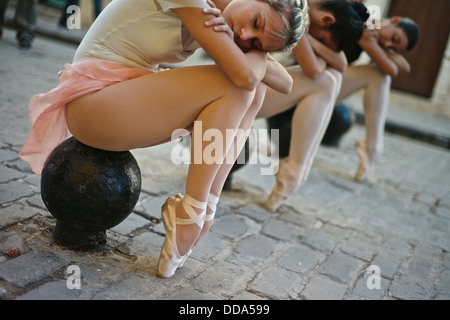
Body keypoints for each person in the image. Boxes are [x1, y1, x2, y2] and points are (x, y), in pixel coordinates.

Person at [19, 0, 308, 278]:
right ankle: (192, 214)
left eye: (256, 42)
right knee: (239, 87)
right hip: (91, 103)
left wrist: (255, 52)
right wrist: (259, 53)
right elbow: (245, 76)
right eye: (257, 22)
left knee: (253, 91)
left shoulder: (228, 18)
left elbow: (286, 83)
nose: (245, 35)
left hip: (123, 100)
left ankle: (206, 208)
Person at [255, 0, 367, 210]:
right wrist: (308, 40)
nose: (319, 42)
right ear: (327, 20)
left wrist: (309, 41)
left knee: (332, 77)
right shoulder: (298, 11)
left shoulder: (309, 19)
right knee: (325, 80)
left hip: (257, 83)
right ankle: (295, 171)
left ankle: (296, 170)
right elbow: (314, 71)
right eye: (322, 39)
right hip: (242, 85)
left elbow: (340, 63)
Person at [337, 4, 419, 181]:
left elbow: (405, 67)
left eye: (394, 46)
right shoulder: (366, 29)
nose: (388, 43)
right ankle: (373, 149)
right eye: (394, 38)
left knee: (380, 75)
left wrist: (384, 48)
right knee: (379, 74)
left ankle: (372, 148)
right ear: (395, 21)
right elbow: (392, 70)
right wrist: (381, 48)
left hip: (330, 81)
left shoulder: (376, 35)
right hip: (316, 75)